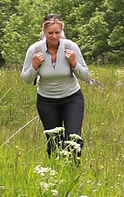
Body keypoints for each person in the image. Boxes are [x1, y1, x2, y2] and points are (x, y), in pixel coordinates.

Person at [21, 13, 90, 161]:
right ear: (44, 33)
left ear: (62, 32)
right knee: (54, 142)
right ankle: (55, 172)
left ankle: (73, 172)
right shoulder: (34, 49)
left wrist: (73, 63)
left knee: (73, 140)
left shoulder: (71, 47)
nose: (53, 36)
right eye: (50, 33)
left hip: (72, 99)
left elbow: (85, 75)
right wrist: (34, 66)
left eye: (57, 33)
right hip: (46, 101)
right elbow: (26, 79)